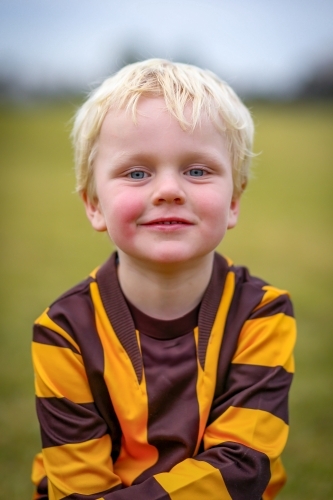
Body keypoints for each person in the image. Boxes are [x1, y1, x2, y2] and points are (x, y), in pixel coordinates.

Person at [31, 59, 296, 500]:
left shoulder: (262, 314)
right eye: (137, 173)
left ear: (234, 200)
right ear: (94, 204)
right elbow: (78, 490)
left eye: (197, 170)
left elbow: (243, 468)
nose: (168, 190)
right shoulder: (64, 332)